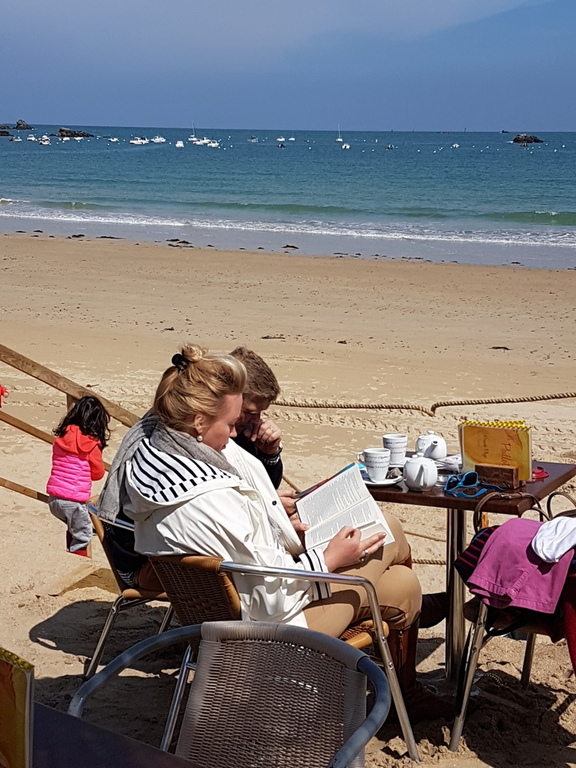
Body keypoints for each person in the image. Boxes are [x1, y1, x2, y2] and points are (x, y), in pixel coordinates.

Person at [101, 344, 451, 721]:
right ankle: (405, 690)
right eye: (233, 423)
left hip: (225, 605)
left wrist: (278, 522)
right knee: (395, 548)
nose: (237, 433)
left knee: (401, 582)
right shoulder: (209, 498)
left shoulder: (160, 459)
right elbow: (275, 598)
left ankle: (405, 674)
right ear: (200, 421)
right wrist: (332, 559)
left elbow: (243, 536)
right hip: (269, 625)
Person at [46, 396, 110, 556]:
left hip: (54, 499)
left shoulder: (61, 437)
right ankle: (76, 559)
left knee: (76, 528)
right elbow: (97, 474)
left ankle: (71, 550)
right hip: (74, 501)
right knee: (83, 536)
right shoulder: (91, 444)